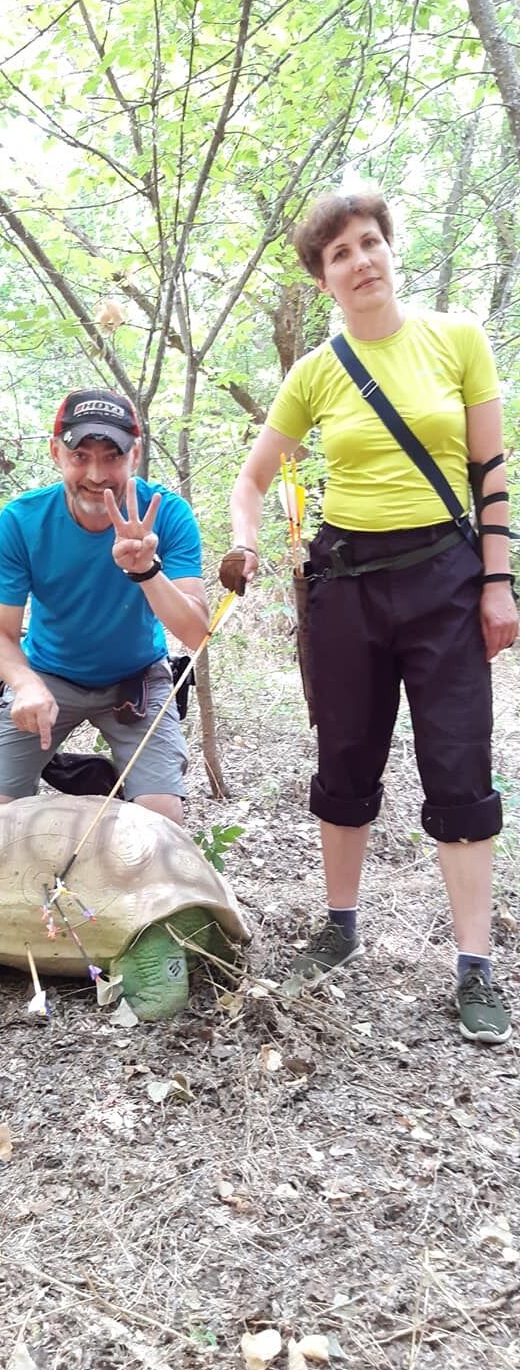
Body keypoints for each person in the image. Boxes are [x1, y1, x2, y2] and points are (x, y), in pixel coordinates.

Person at [224, 190, 518, 1044]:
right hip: (346, 586)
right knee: (345, 756)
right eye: (339, 255)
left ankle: (474, 964)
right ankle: (340, 927)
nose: (360, 262)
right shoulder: (317, 370)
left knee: (459, 764)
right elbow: (251, 479)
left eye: (369, 243)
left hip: (448, 581)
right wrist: (244, 542)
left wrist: (498, 585)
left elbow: (491, 473)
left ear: (391, 249)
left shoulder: (457, 338)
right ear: (324, 281)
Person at [0, 388, 209, 825]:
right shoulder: (23, 520)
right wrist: (25, 684)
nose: (97, 474)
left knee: (161, 817)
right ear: (56, 451)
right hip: (48, 674)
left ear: (135, 456)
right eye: (81, 455)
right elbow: (1, 637)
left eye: (112, 455)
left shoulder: (167, 515)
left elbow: (195, 632)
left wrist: (147, 571)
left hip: (136, 678)